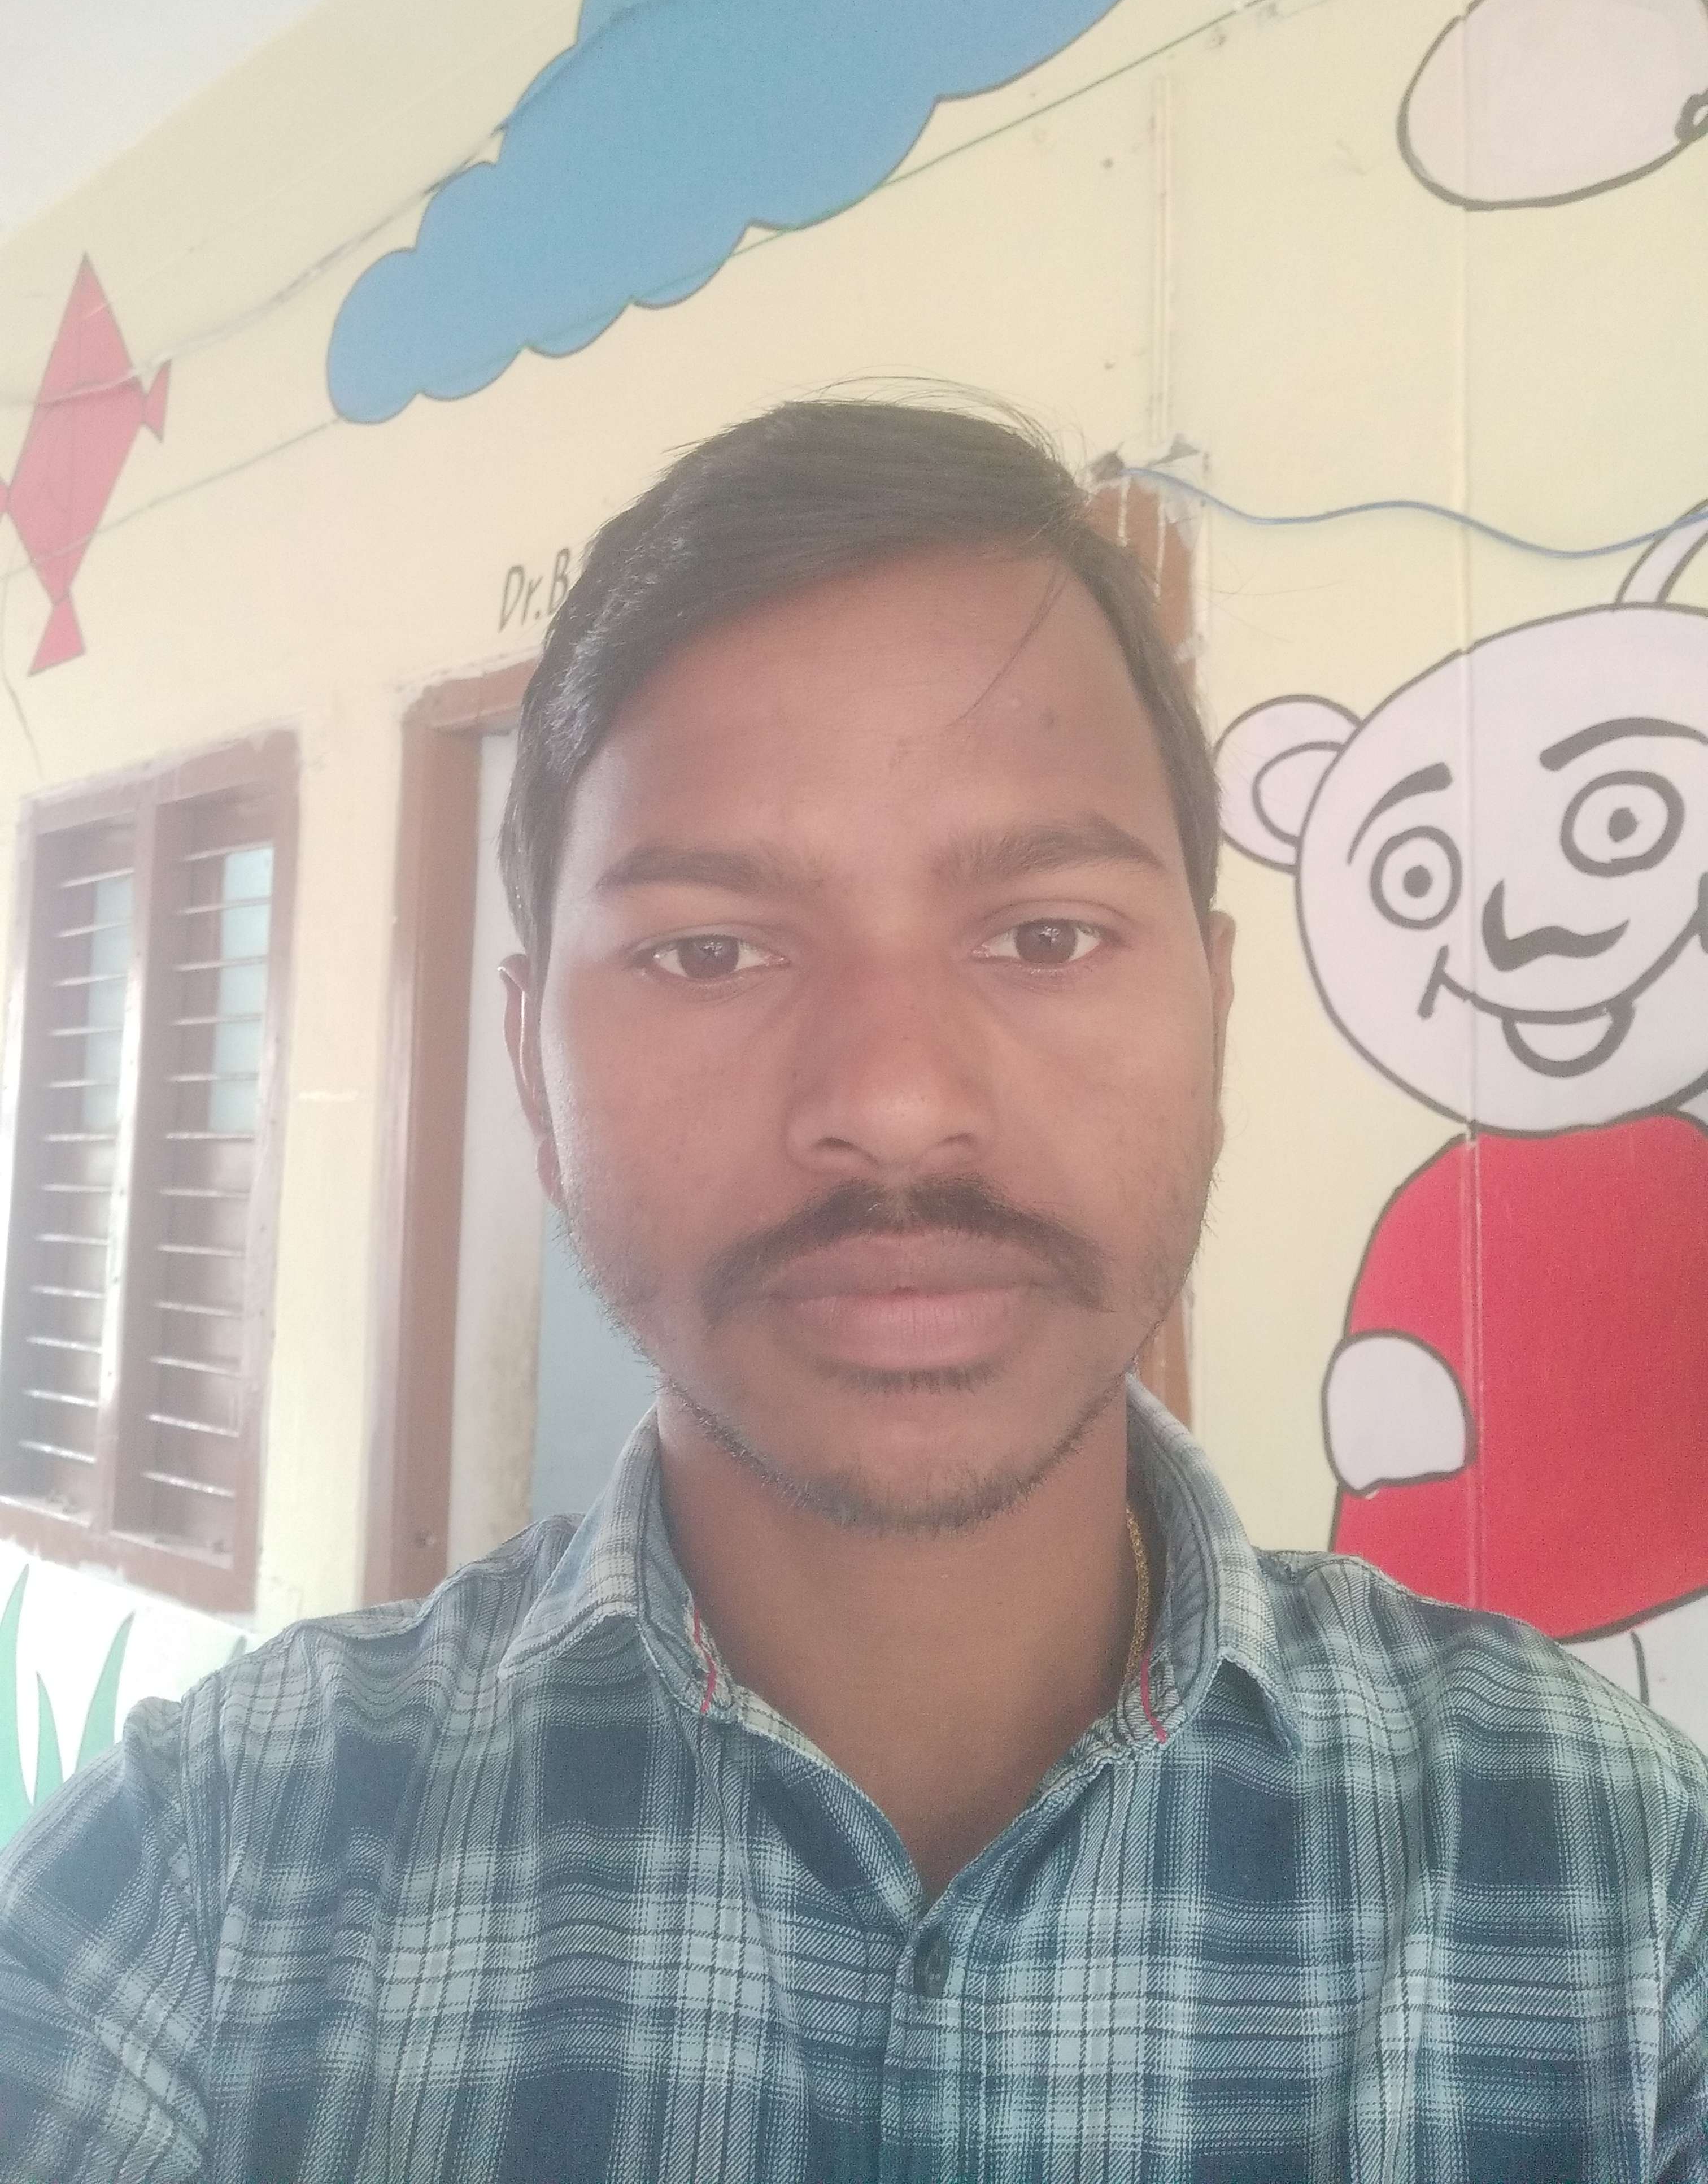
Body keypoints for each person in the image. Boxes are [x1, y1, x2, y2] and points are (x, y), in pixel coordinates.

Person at [1, 399, 1703, 2183]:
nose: (893, 1100)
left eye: (1044, 935)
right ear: (530, 1066)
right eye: (710, 950)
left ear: (1214, 1014)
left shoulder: (1619, 1890)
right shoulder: (194, 1896)